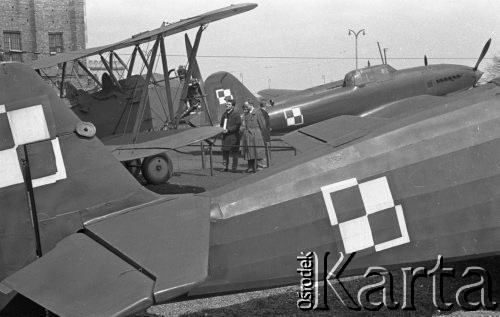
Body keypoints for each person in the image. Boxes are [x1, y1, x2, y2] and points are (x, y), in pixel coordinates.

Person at [240, 100, 266, 173]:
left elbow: (263, 125)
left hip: (256, 134)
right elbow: (244, 125)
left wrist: (263, 135)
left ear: (251, 105)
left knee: (258, 150)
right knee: (249, 151)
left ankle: (260, 166)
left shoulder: (258, 112)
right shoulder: (246, 114)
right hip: (248, 135)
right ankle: (250, 167)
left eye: (246, 105)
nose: (245, 107)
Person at [220, 99, 241, 172]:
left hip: (233, 137)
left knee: (235, 153)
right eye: (226, 104)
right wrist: (221, 129)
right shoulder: (224, 114)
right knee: (225, 152)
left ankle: (234, 168)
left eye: (229, 104)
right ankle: (225, 167)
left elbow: (237, 125)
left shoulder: (236, 114)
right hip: (225, 137)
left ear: (233, 106)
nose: (227, 105)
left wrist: (228, 130)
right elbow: (221, 124)